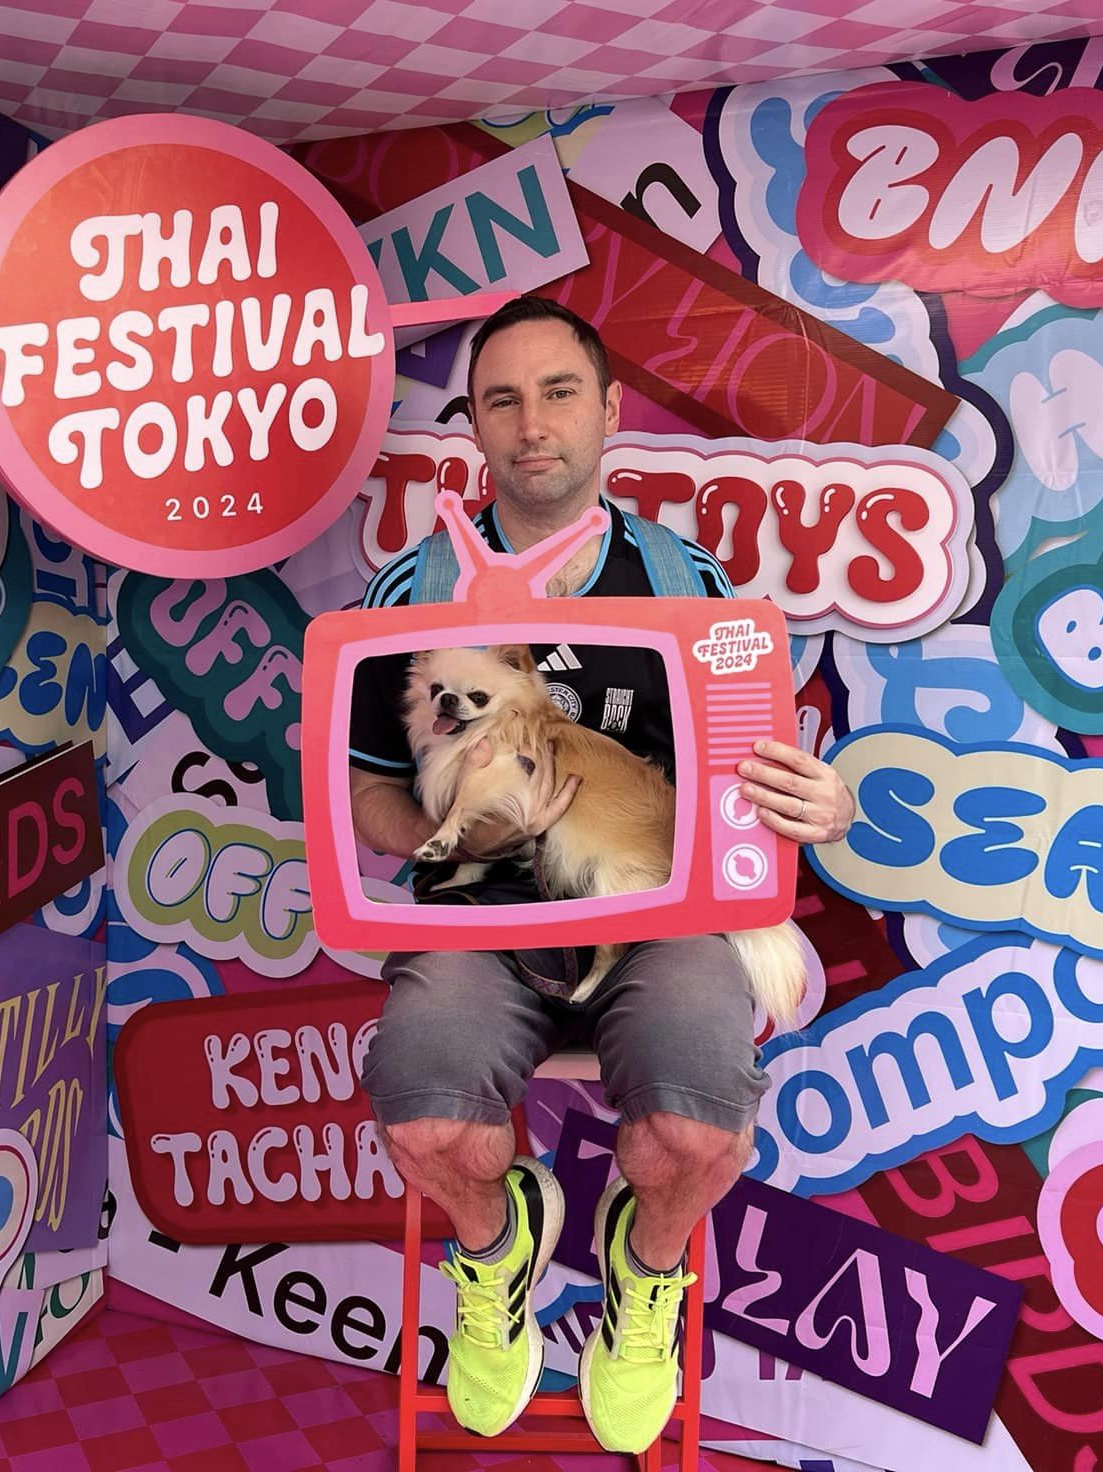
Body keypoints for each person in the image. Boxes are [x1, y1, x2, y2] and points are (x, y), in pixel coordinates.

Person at [349, 296, 854, 1454]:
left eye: (558, 392)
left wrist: (819, 806)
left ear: (610, 410)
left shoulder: (688, 582)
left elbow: (753, 780)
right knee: (424, 1122)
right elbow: (366, 794)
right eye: (502, 400)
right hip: (476, 931)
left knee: (699, 1132)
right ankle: (497, 1249)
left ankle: (646, 1267)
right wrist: (443, 823)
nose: (532, 423)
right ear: (474, 425)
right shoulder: (408, 592)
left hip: (656, 923)